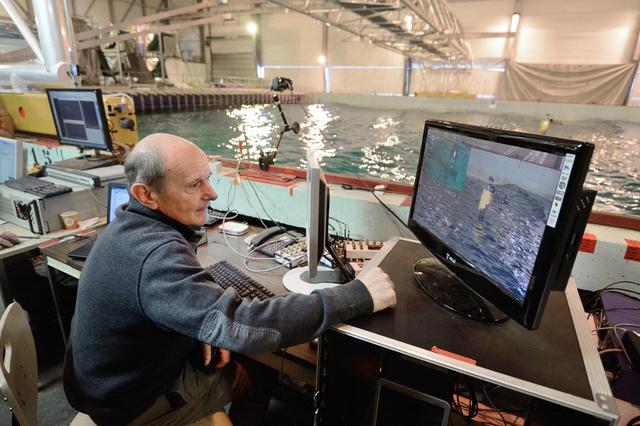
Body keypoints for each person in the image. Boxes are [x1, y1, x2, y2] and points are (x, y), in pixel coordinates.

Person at [63, 133, 397, 425]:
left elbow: (161, 301)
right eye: (195, 185)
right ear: (146, 194)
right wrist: (356, 296)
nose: (212, 194)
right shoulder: (156, 255)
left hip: (105, 383)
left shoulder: (127, 228)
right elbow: (244, 325)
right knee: (261, 370)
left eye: (207, 179)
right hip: (131, 403)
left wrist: (198, 325)